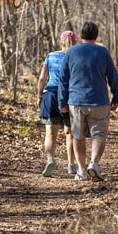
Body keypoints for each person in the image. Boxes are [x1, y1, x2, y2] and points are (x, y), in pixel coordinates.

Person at [58, 21, 118, 182]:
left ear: (80, 35)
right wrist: (116, 97)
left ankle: (81, 169)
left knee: (78, 136)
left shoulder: (71, 52)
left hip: (76, 101)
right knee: (99, 135)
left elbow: (63, 79)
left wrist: (62, 101)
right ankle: (94, 163)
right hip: (99, 100)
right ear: (96, 35)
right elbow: (113, 76)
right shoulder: (103, 52)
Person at [36, 30, 77, 177]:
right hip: (69, 96)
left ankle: (50, 159)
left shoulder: (51, 56)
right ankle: (71, 164)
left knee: (50, 133)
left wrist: (40, 95)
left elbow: (42, 78)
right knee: (70, 133)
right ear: (75, 42)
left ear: (61, 42)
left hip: (51, 95)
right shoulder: (76, 57)